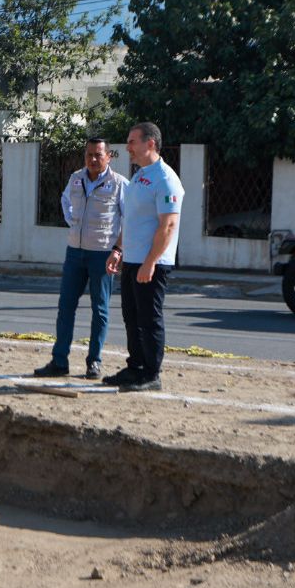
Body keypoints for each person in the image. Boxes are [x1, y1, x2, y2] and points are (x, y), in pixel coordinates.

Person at [34, 138, 127, 380]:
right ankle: (59, 360)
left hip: (102, 254)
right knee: (65, 307)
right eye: (89, 155)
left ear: (108, 157)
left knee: (100, 309)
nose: (93, 160)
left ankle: (94, 362)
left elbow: (130, 219)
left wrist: (118, 249)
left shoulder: (118, 184)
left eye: (98, 155)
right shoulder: (76, 178)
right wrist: (73, 222)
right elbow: (65, 201)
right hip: (75, 252)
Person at [103, 122, 184, 393]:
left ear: (150, 143)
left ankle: (152, 374)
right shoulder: (139, 176)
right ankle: (135, 366)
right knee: (131, 315)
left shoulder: (166, 179)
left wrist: (150, 261)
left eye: (132, 142)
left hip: (153, 262)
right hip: (132, 259)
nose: (127, 148)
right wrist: (119, 250)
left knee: (149, 318)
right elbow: (132, 219)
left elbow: (168, 225)